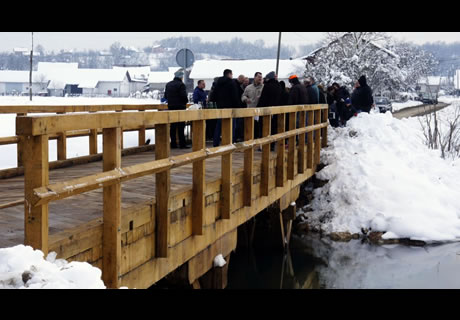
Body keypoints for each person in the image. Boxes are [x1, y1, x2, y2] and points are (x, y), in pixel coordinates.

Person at [212, 69, 240, 147]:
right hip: (230, 108)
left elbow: (213, 95)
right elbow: (235, 96)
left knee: (219, 126)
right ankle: (229, 142)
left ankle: (215, 142)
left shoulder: (218, 83)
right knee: (232, 126)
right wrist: (237, 106)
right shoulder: (232, 83)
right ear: (229, 74)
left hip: (220, 107)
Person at [165, 69, 190, 149]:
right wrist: (186, 101)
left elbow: (165, 96)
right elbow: (183, 96)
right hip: (180, 107)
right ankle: (182, 144)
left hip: (171, 107)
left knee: (173, 126)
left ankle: (173, 143)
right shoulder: (181, 85)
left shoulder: (168, 84)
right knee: (181, 126)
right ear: (181, 77)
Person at [242, 72, 264, 139]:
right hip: (251, 110)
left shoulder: (264, 87)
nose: (260, 78)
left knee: (260, 128)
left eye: (261, 77)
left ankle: (259, 142)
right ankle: (250, 141)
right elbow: (243, 95)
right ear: (255, 77)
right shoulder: (249, 87)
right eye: (258, 76)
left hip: (260, 111)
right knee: (250, 127)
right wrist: (245, 99)